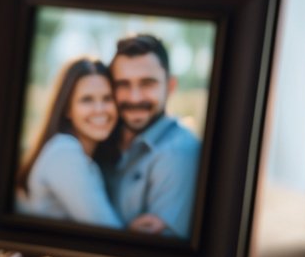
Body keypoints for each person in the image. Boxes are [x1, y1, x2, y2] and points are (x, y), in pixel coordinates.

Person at [16, 58, 161, 231]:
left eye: (107, 98)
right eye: (87, 100)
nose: (100, 109)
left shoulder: (84, 156)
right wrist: (134, 234)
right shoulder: (64, 153)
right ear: (68, 109)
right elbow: (108, 235)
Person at [105, 34, 201, 238]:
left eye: (147, 83)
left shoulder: (179, 153)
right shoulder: (104, 139)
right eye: (123, 84)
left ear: (171, 86)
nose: (134, 97)